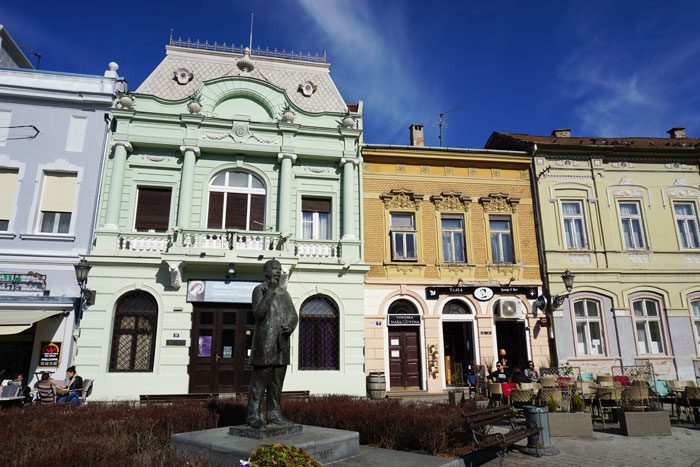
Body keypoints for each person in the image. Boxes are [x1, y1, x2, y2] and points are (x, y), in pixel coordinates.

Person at [246, 260, 298, 429]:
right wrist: (270, 292)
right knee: (259, 384)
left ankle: (274, 414)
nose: (277, 272)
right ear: (265, 271)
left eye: (279, 269)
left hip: (281, 344)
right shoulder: (259, 290)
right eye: (274, 269)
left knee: (276, 384)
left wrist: (289, 326)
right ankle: (254, 415)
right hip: (264, 344)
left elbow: (293, 316)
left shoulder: (285, 294)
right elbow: (259, 314)